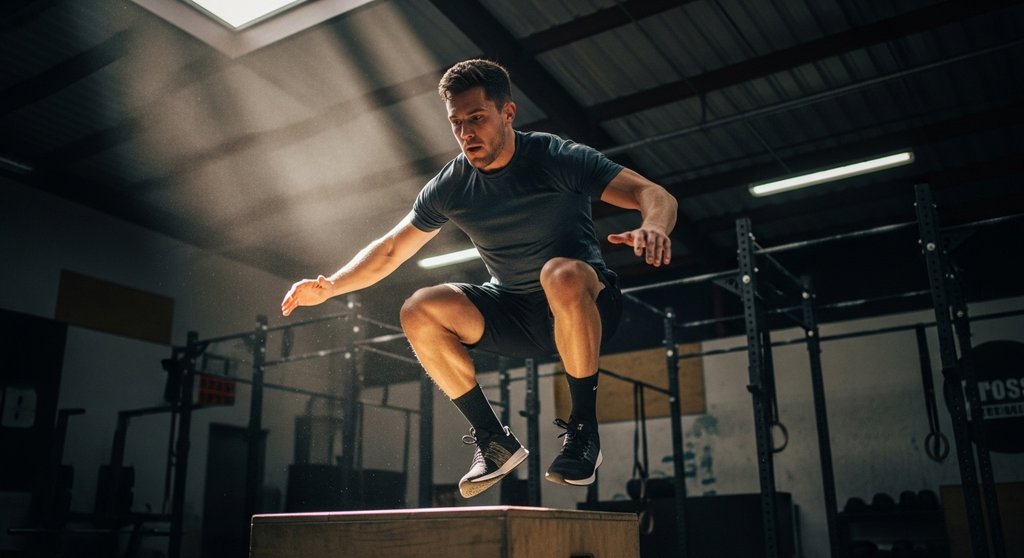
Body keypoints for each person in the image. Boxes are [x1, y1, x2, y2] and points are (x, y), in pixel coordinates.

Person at [281, 59, 677, 499]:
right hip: (513, 312)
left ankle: (584, 431)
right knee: (418, 308)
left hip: (586, 302)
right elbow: (392, 248)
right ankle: (494, 440)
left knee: (558, 272)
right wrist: (332, 286)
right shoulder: (451, 184)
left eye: (477, 118)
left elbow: (652, 193)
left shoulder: (554, 157)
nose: (467, 133)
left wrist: (655, 226)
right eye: (456, 123)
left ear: (508, 113)